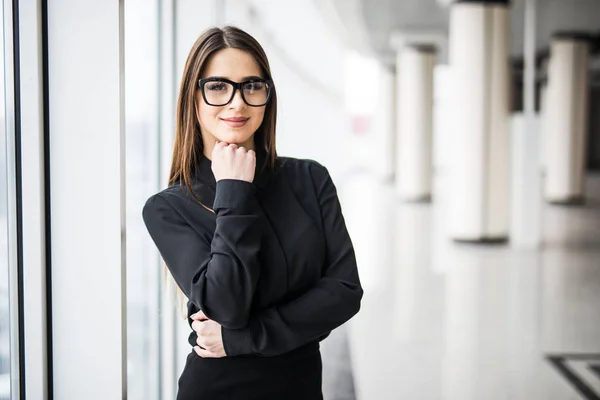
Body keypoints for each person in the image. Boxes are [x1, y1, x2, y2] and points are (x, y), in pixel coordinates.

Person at [142, 25, 363, 400]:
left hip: (301, 387)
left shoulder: (309, 178)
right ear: (192, 99)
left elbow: (344, 292)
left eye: (252, 86)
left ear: (267, 95)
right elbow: (227, 303)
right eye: (217, 87)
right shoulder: (168, 208)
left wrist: (242, 337)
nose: (237, 102)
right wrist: (234, 191)